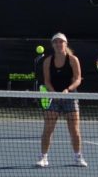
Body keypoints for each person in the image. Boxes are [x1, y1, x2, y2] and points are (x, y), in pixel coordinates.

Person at [36, 32, 87, 168]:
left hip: (70, 97)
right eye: (56, 42)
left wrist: (68, 91)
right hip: (53, 98)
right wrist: (53, 93)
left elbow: (77, 79)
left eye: (61, 42)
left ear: (65, 44)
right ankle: (43, 158)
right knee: (48, 129)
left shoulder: (73, 60)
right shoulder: (47, 61)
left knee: (74, 130)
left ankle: (78, 157)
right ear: (53, 45)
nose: (58, 44)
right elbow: (47, 81)